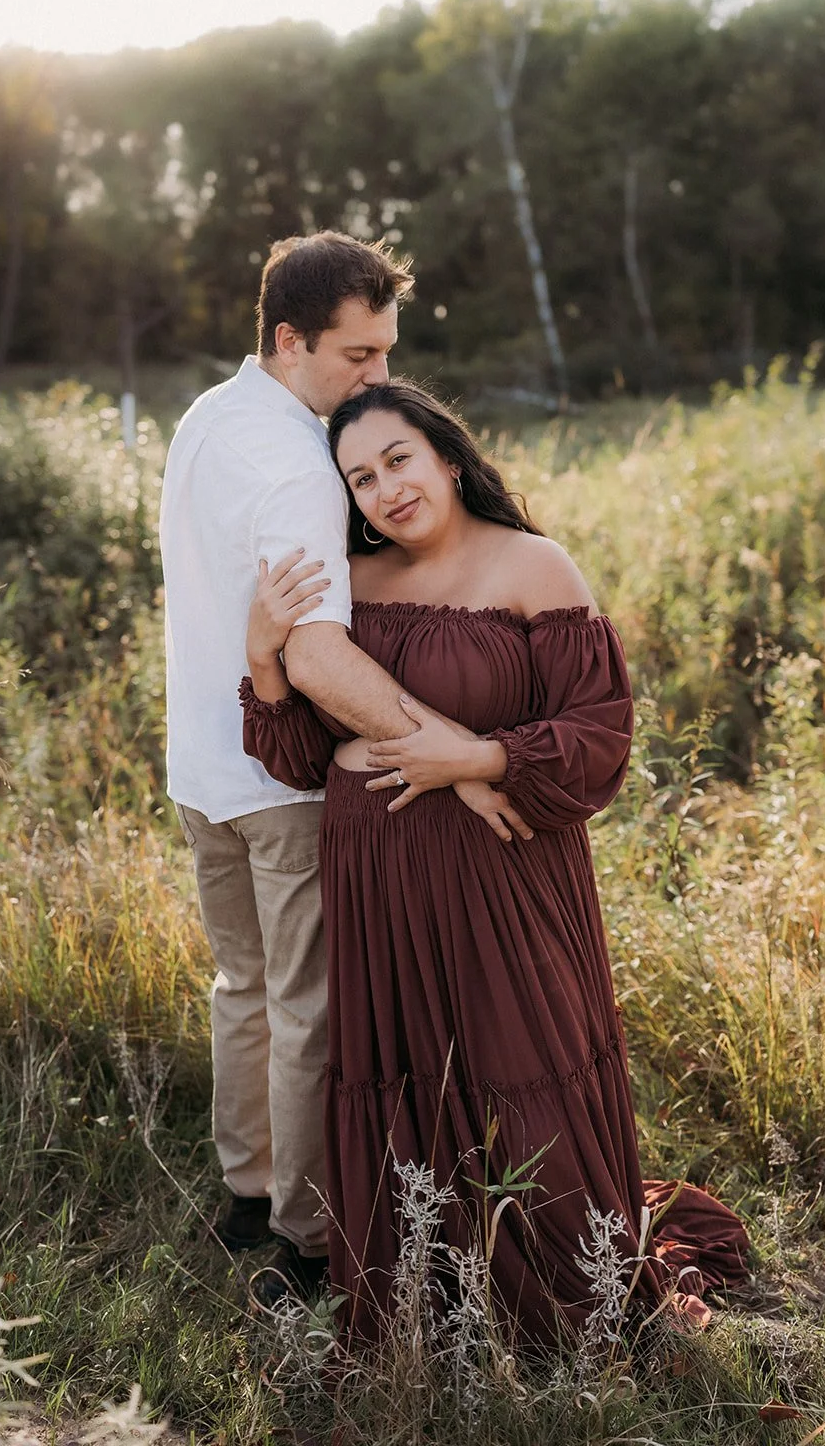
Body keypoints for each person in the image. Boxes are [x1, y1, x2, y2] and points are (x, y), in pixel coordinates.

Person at [239, 380, 750, 1346]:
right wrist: (265, 655)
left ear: (446, 458)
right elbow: (300, 755)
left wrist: (478, 758)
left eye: (398, 460)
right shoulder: (349, 582)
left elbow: (598, 734)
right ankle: (434, 1286)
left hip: (500, 868)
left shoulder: (532, 566)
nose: (385, 489)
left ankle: (564, 1287)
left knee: (519, 1061)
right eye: (360, 479)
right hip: (377, 875)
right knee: (410, 1073)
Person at [160, 233, 522, 1309]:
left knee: (246, 987)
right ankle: (307, 1237)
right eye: (358, 357)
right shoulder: (296, 464)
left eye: (384, 352)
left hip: (197, 768)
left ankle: (242, 1192)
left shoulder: (201, 419)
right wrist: (453, 753)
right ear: (288, 339)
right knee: (309, 1005)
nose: (377, 380)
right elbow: (315, 653)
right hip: (273, 780)